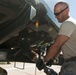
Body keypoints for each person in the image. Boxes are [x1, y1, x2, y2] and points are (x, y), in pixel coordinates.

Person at [36, 1, 76, 75]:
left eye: (57, 14)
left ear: (66, 11)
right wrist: (53, 59)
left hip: (73, 64)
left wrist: (44, 60)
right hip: (70, 63)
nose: (55, 16)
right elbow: (61, 45)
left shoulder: (68, 23)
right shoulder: (72, 23)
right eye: (55, 14)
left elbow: (56, 45)